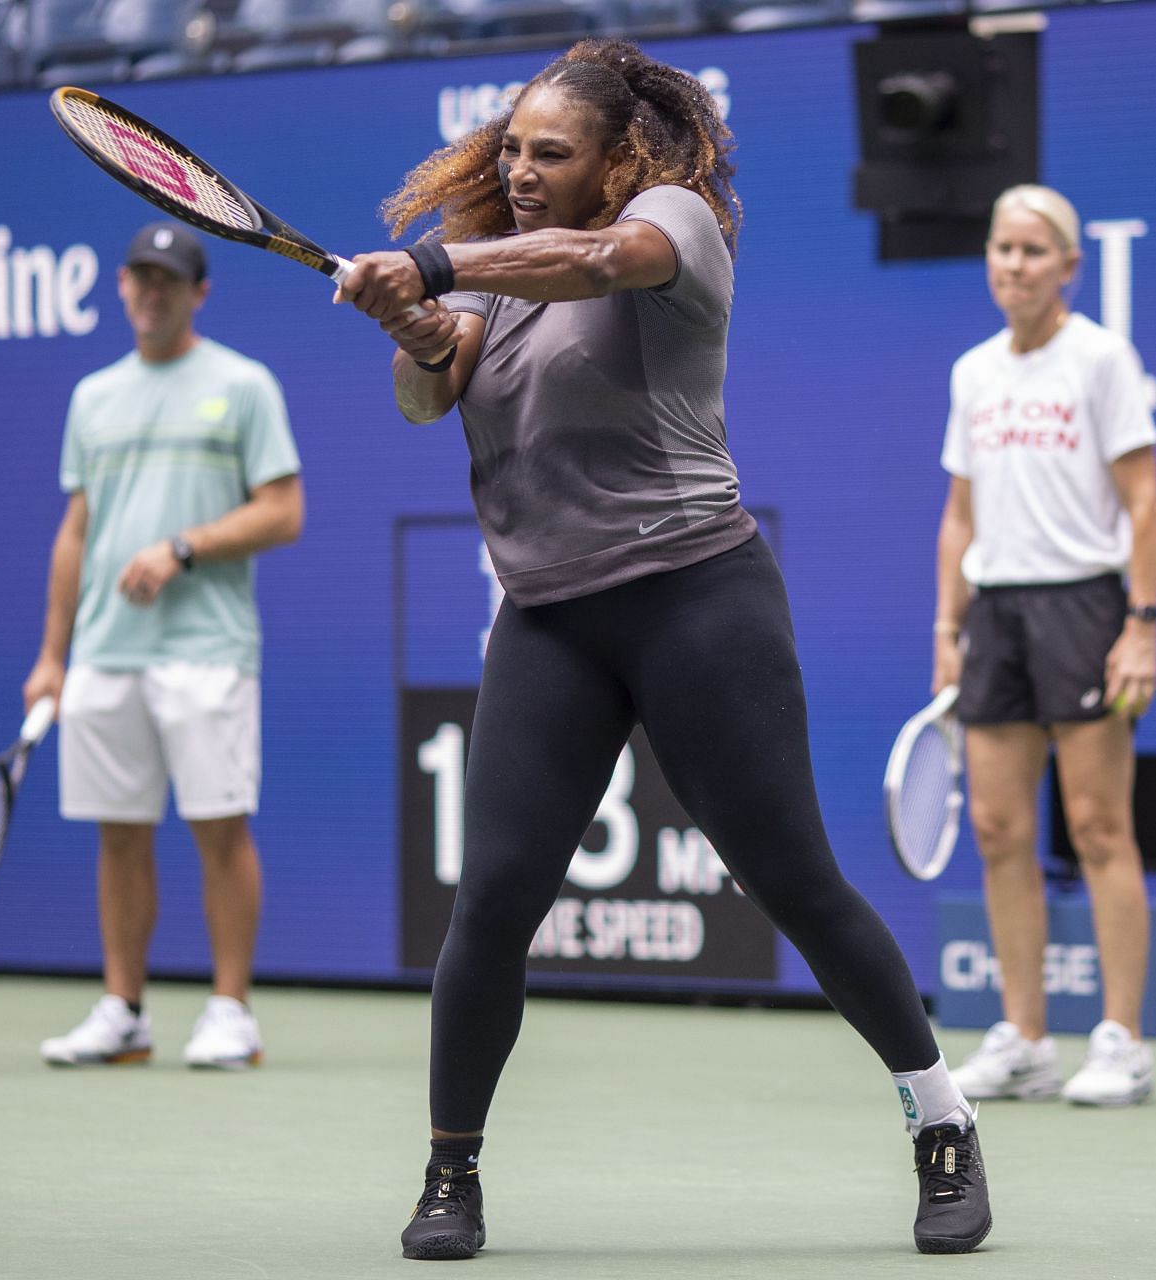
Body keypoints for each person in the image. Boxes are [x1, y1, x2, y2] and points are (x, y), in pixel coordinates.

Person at [337, 39, 990, 1260]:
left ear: (615, 157)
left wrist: (431, 259)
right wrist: (419, 328)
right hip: (548, 618)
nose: (522, 172)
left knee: (795, 883)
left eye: (551, 153)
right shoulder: (490, 268)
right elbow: (432, 395)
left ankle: (941, 1121)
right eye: (512, 149)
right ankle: (449, 1175)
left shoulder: (673, 219)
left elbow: (600, 261)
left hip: (698, 598)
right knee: (491, 903)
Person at [25, 221, 304, 1071]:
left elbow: (283, 511)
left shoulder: (244, 385)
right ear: (121, 286)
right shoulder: (92, 397)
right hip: (107, 654)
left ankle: (231, 1012)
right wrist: (52, 656)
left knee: (219, 827)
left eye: (169, 281)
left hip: (207, 647)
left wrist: (183, 547)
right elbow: (75, 531)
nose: (151, 293)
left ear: (199, 294)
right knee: (119, 834)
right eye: (139, 278)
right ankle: (125, 1011)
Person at [933, 185, 1156, 1108]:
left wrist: (1140, 627)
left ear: (1068, 266)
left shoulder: (1103, 358)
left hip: (1086, 608)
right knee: (998, 832)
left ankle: (1122, 1040)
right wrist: (948, 630)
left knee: (1101, 827)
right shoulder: (973, 373)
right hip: (994, 613)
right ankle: (1026, 1038)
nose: (1013, 265)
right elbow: (959, 516)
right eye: (1001, 248)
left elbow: (1145, 501)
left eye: (1033, 251)